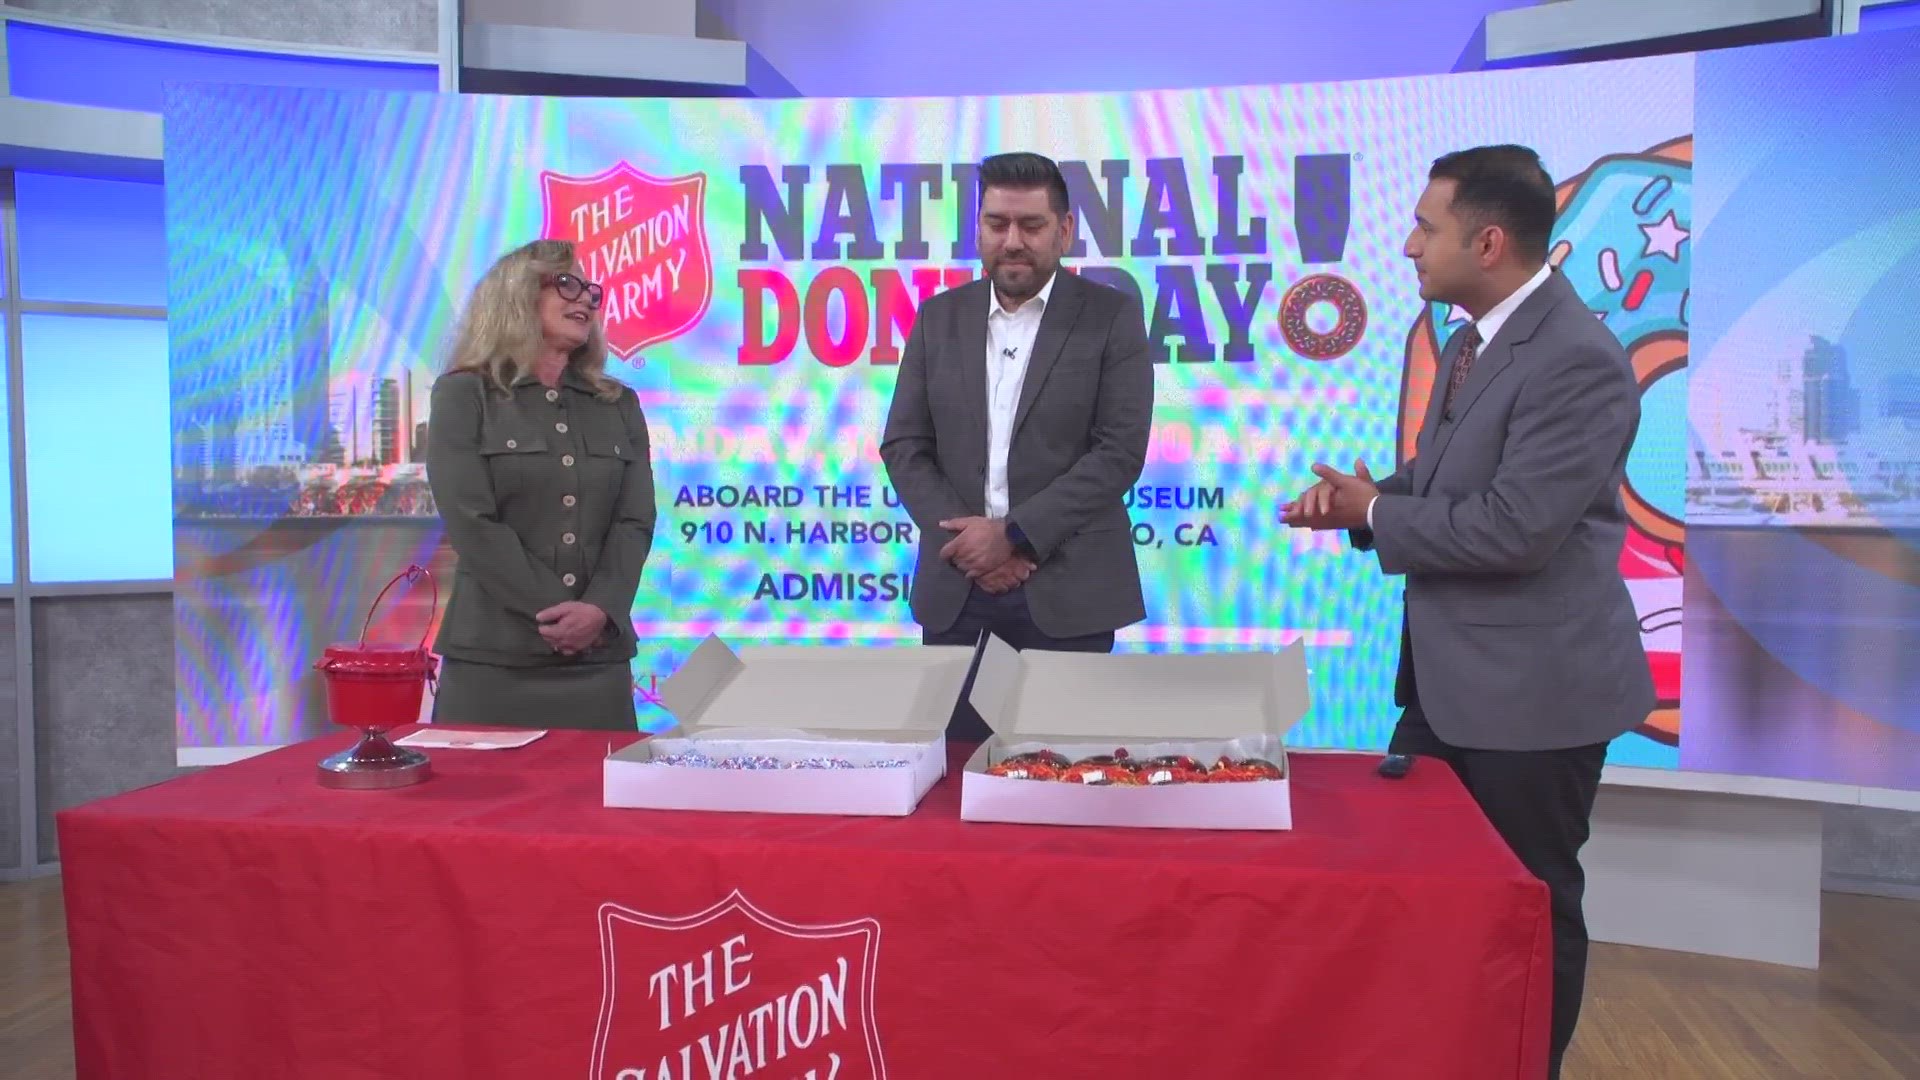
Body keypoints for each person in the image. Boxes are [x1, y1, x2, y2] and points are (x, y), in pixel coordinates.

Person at [1282, 144, 1652, 1079]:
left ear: (1487, 242)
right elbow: (1447, 485)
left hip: (1535, 701)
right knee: (1434, 901)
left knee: (1528, 906)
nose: (1408, 246)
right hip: (1450, 692)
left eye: (1425, 227)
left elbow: (1515, 530)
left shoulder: (1577, 361)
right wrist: (1367, 502)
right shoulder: (1467, 341)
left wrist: (1383, 513)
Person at [880, 151, 1154, 741]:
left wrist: (1013, 537)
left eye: (1031, 226)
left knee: (1066, 784)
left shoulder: (1112, 318)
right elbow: (904, 444)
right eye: (996, 224)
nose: (1012, 242)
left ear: (1065, 230)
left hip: (1068, 589)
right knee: (953, 787)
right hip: (959, 592)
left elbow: (1119, 452)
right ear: (978, 227)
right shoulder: (937, 318)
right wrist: (969, 544)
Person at [424, 238, 657, 731]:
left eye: (591, 292)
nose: (585, 300)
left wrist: (598, 611)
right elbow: (472, 522)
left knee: (602, 805)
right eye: (566, 284)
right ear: (516, 295)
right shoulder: (464, 394)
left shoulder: (618, 404)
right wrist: (557, 613)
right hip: (493, 660)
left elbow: (634, 522)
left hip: (597, 662)